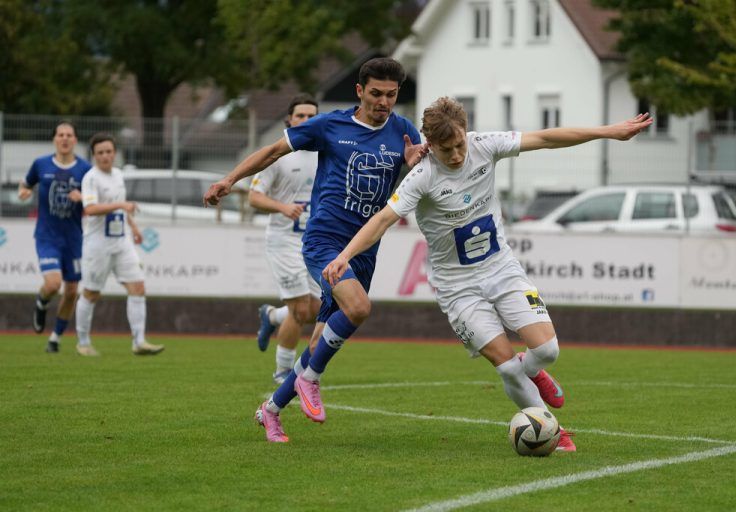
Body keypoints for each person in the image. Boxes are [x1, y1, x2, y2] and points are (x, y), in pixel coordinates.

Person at [323, 97, 654, 451]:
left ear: (467, 133)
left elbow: (546, 138)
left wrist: (609, 132)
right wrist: (345, 255)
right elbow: (382, 220)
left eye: (460, 144)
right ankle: (551, 430)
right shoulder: (422, 176)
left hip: (502, 269)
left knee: (547, 350)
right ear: (430, 146)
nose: (456, 155)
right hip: (458, 288)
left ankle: (535, 367)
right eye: (446, 149)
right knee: (507, 366)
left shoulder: (485, 146)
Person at [204, 57, 426, 442]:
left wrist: (413, 165)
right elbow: (273, 150)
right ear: (360, 91)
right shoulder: (330, 125)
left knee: (319, 340)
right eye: (375, 93)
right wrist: (229, 179)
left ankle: (271, 410)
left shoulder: (404, 132)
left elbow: (426, 177)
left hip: (365, 250)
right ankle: (311, 379)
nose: (383, 102)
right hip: (323, 241)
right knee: (358, 308)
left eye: (391, 95)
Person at [249, 93, 322, 384]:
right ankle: (283, 372)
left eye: (311, 116)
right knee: (301, 308)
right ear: (289, 121)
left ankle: (272, 317)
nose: (306, 121)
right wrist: (282, 207)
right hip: (283, 240)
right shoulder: (278, 155)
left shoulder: (325, 152)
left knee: (316, 310)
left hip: (315, 242)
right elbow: (254, 198)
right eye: (300, 116)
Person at [74, 132, 164, 356]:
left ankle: (139, 341)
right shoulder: (90, 178)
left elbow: (121, 208)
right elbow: (90, 209)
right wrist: (122, 205)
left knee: (138, 287)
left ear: (115, 153)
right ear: (94, 155)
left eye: (109, 151)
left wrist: (132, 226)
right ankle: (83, 342)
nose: (105, 156)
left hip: (121, 242)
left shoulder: (118, 175)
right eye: (100, 152)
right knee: (91, 293)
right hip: (97, 244)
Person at [18, 121, 91, 353]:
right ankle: (41, 302)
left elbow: (94, 202)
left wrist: (84, 198)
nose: (65, 139)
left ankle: (55, 338)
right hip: (47, 237)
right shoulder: (40, 164)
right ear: (54, 139)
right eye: (61, 135)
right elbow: (26, 183)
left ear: (75, 140)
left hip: (74, 239)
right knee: (53, 284)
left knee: (71, 292)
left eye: (69, 135)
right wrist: (24, 191)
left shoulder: (86, 170)